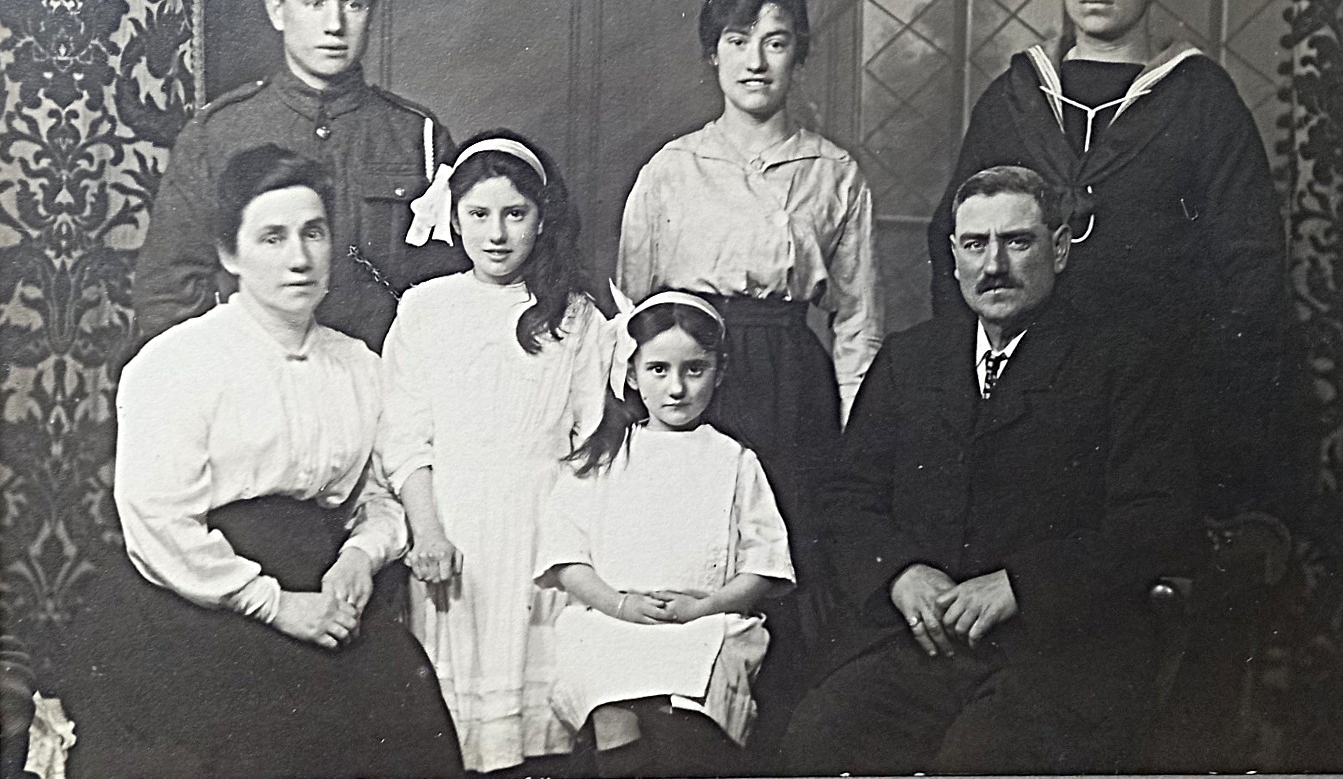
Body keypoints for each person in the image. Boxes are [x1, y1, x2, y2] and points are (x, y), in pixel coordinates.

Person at [59, 145, 462, 778]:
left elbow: (378, 496)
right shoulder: (175, 364)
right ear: (230, 254)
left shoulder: (359, 365)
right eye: (272, 238)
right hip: (196, 600)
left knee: (405, 713)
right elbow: (159, 521)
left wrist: (359, 557)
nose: (299, 258)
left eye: (313, 233)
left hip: (323, 586)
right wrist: (275, 605)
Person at [785, 166, 1200, 774]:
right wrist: (900, 573)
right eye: (976, 245)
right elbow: (848, 498)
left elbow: (1158, 521)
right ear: (954, 257)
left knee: (980, 762)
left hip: (1058, 651)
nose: (994, 266)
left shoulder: (1125, 362)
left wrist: (1021, 585)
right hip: (925, 644)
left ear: (1060, 248)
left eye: (1017, 242)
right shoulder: (911, 359)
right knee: (817, 740)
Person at [925, 0, 1285, 518]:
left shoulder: (1203, 101)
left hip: (1157, 405)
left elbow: (1250, 269)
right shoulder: (1013, 100)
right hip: (1029, 404)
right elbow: (951, 245)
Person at [615, 0, 882, 755]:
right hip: (695, 383)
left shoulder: (833, 173)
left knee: (788, 560)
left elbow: (857, 320)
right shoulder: (670, 170)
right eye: (738, 41)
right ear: (713, 54)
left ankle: (780, 749)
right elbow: (632, 311)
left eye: (776, 41)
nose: (756, 61)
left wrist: (856, 431)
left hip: (792, 385)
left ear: (799, 54)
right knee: (694, 549)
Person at [378, 130, 609, 773]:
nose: (497, 233)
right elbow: (404, 436)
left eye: (515, 214)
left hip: (542, 530)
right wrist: (428, 531)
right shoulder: (426, 308)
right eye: (478, 214)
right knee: (454, 730)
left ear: (542, 219)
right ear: (454, 219)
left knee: (541, 736)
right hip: (453, 530)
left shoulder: (576, 317)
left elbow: (592, 442)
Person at [134, 0, 457, 352]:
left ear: (372, 11)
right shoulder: (220, 133)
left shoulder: (417, 136)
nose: (334, 24)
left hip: (381, 378)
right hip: (256, 379)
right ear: (276, 10)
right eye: (314, 2)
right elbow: (168, 291)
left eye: (353, 3)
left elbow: (451, 290)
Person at [536, 290, 795, 778]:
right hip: (613, 619)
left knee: (688, 715)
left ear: (719, 371)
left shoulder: (734, 460)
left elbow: (764, 565)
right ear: (632, 374)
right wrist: (619, 605)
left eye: (694, 370)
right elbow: (566, 557)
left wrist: (703, 608)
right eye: (658, 369)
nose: (676, 388)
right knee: (608, 690)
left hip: (704, 621)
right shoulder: (604, 457)